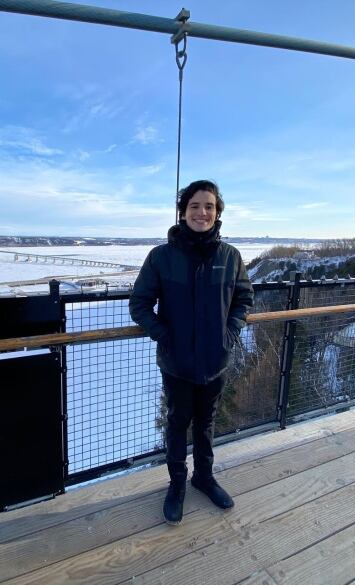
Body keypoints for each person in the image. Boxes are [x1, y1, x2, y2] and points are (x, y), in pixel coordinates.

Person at [129, 179, 254, 525]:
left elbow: (243, 299)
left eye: (209, 206)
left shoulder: (230, 257)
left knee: (206, 423)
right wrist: (163, 335)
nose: (203, 212)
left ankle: (204, 477)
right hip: (177, 363)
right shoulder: (162, 257)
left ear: (217, 213)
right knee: (177, 423)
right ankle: (177, 484)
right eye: (195, 206)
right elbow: (139, 304)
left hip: (216, 362)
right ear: (183, 212)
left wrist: (229, 333)